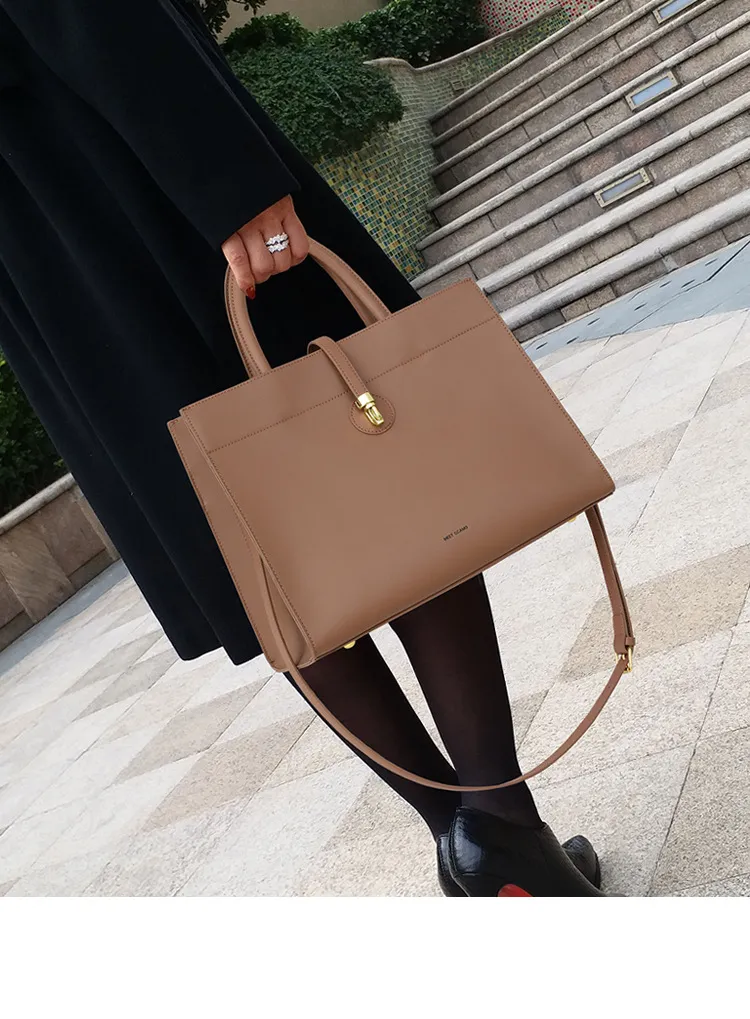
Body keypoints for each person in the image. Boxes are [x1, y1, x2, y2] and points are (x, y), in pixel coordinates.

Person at [0, 0, 604, 896]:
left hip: (37, 257)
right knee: (379, 456)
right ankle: (499, 827)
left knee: (251, 540)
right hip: (135, 170)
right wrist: (225, 178)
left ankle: (466, 837)